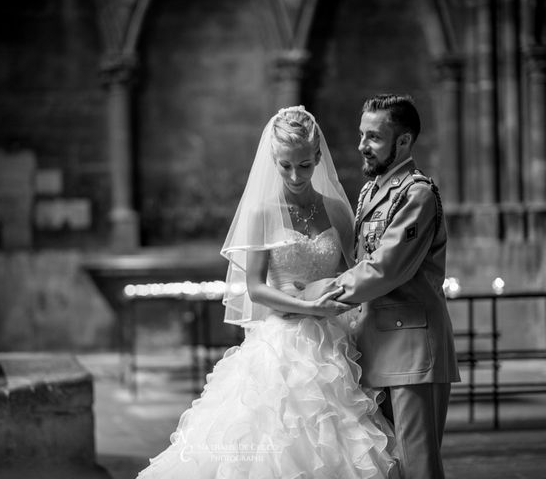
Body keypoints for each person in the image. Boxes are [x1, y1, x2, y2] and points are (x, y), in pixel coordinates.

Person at [136, 106, 401, 479]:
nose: (296, 175)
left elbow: (353, 274)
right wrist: (305, 305)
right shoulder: (262, 212)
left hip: (334, 340)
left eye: (305, 165)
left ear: (318, 158)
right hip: (282, 337)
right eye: (286, 165)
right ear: (273, 160)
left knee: (341, 435)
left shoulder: (337, 211)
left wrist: (331, 298)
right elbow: (255, 288)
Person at [298, 94, 461, 479]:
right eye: (361, 135)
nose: (361, 146)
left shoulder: (416, 193)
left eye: (373, 137)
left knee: (417, 465)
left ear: (403, 142)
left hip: (412, 351)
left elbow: (385, 268)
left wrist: (321, 293)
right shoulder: (372, 191)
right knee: (389, 466)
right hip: (375, 345)